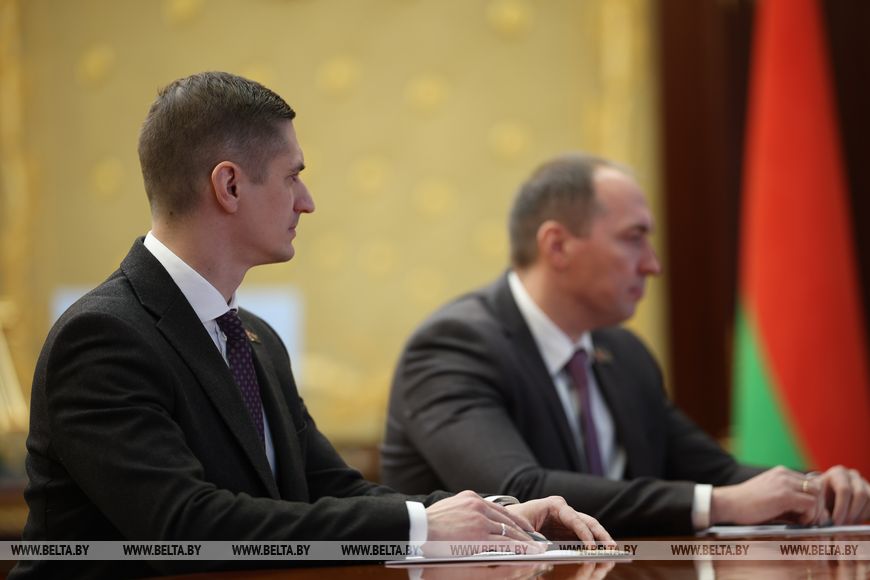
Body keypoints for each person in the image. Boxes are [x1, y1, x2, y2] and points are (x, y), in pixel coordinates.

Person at [11, 73, 612, 579]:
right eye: (292, 175)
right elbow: (185, 526)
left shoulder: (254, 337)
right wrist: (422, 527)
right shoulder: (104, 336)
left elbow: (331, 489)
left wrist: (496, 517)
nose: (307, 201)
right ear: (229, 185)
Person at [381, 152, 870, 537]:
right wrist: (718, 504)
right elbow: (516, 490)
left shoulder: (624, 353)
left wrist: (814, 491)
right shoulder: (453, 347)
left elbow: (715, 472)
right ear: (557, 246)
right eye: (634, 238)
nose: (653, 265)